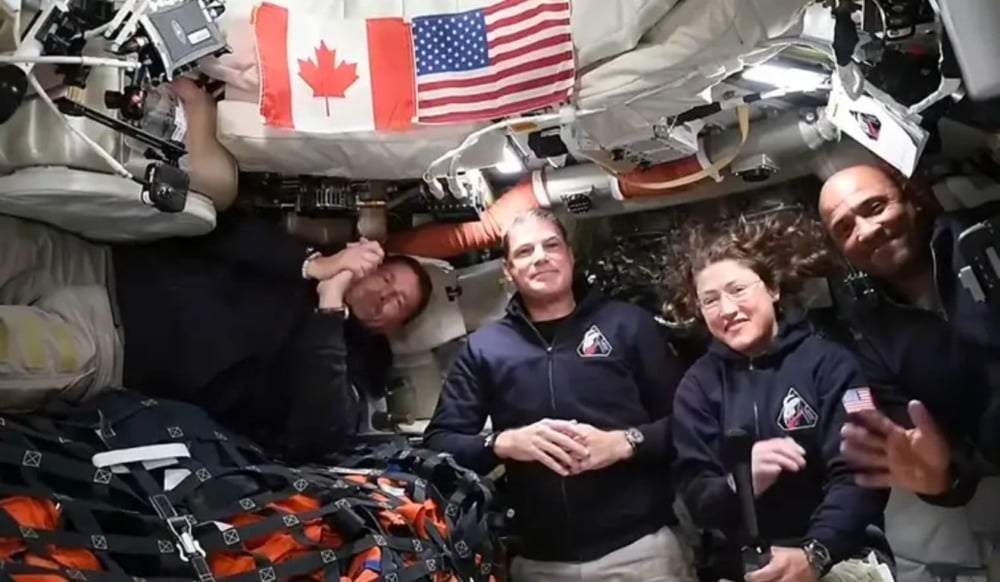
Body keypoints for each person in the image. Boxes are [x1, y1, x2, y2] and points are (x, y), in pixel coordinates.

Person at [0, 79, 433, 462]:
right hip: (94, 260)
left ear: (392, 327)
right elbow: (221, 229)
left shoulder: (352, 374)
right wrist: (313, 265)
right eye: (388, 280)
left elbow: (317, 435)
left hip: (106, 346)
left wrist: (330, 307)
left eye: (398, 303)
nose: (385, 295)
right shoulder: (298, 256)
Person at [423, 209, 693, 582]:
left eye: (551, 245)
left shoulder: (628, 324)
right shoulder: (485, 349)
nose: (540, 257)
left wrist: (625, 442)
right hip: (539, 563)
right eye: (524, 251)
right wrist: (503, 443)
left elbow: (688, 424)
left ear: (570, 255)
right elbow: (438, 445)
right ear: (508, 271)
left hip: (640, 551)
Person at [665, 213, 891, 582]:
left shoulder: (831, 364)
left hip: (841, 553)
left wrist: (815, 554)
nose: (727, 309)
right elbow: (698, 497)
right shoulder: (697, 387)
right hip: (748, 565)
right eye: (710, 300)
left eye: (738, 289)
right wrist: (741, 482)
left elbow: (862, 476)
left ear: (772, 289)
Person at [817, 164, 1000, 503]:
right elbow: (931, 453)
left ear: (910, 198)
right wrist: (941, 479)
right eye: (844, 229)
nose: (866, 231)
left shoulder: (987, 235)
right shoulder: (870, 340)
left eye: (875, 208)